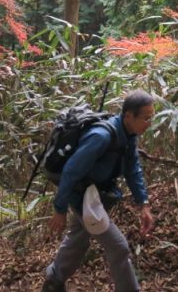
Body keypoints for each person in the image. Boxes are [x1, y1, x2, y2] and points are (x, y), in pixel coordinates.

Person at [41, 90, 156, 292]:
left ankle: (54, 280)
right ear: (129, 115)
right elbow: (70, 172)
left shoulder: (129, 136)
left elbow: (132, 170)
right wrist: (59, 209)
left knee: (79, 238)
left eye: (151, 117)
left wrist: (143, 204)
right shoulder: (101, 137)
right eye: (146, 118)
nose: (149, 122)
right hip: (82, 198)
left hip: (96, 194)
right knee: (119, 247)